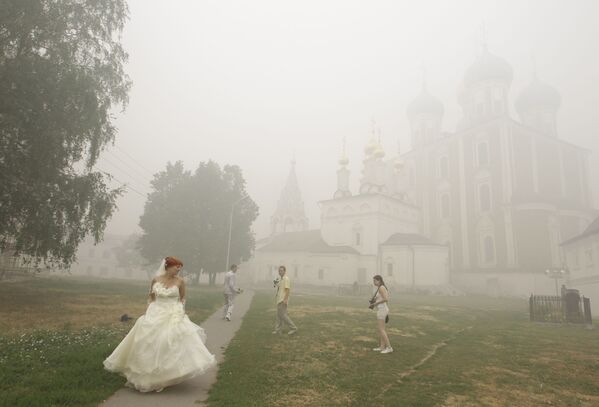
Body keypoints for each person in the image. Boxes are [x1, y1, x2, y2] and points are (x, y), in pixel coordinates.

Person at [103, 256, 216, 392]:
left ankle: (166, 375)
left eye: (180, 268)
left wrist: (180, 312)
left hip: (173, 313)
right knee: (147, 342)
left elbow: (182, 298)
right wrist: (149, 312)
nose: (178, 270)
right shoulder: (156, 280)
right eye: (176, 267)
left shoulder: (180, 281)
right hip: (155, 312)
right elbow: (151, 297)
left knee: (166, 341)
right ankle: (148, 376)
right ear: (168, 267)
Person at [369, 275, 393, 354]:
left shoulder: (381, 287)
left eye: (375, 281)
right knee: (382, 330)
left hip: (382, 310)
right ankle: (382, 347)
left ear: (379, 280)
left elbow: (386, 299)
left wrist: (375, 303)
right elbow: (381, 298)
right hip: (381, 309)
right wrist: (373, 300)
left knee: (381, 329)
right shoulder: (380, 288)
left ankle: (389, 347)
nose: (374, 282)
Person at [272, 265, 298, 335]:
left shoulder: (286, 279)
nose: (280, 272)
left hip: (283, 300)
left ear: (284, 271)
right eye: (279, 270)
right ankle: (278, 330)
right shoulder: (280, 279)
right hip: (279, 299)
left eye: (281, 270)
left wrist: (285, 300)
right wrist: (275, 283)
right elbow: (278, 288)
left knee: (283, 315)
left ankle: (293, 328)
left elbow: (287, 290)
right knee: (278, 316)